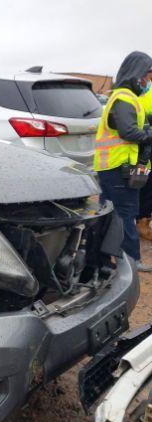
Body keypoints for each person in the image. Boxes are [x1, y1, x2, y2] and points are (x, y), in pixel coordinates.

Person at [94, 51, 152, 272]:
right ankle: (131, 262)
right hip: (118, 168)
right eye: (146, 77)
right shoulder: (124, 99)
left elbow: (138, 125)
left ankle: (102, 260)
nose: (147, 82)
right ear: (137, 74)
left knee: (111, 213)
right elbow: (129, 132)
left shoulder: (127, 98)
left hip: (125, 167)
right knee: (126, 213)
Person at [137, 88, 152, 241]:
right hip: (144, 150)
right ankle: (141, 223)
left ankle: (143, 221)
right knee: (142, 187)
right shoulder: (144, 95)